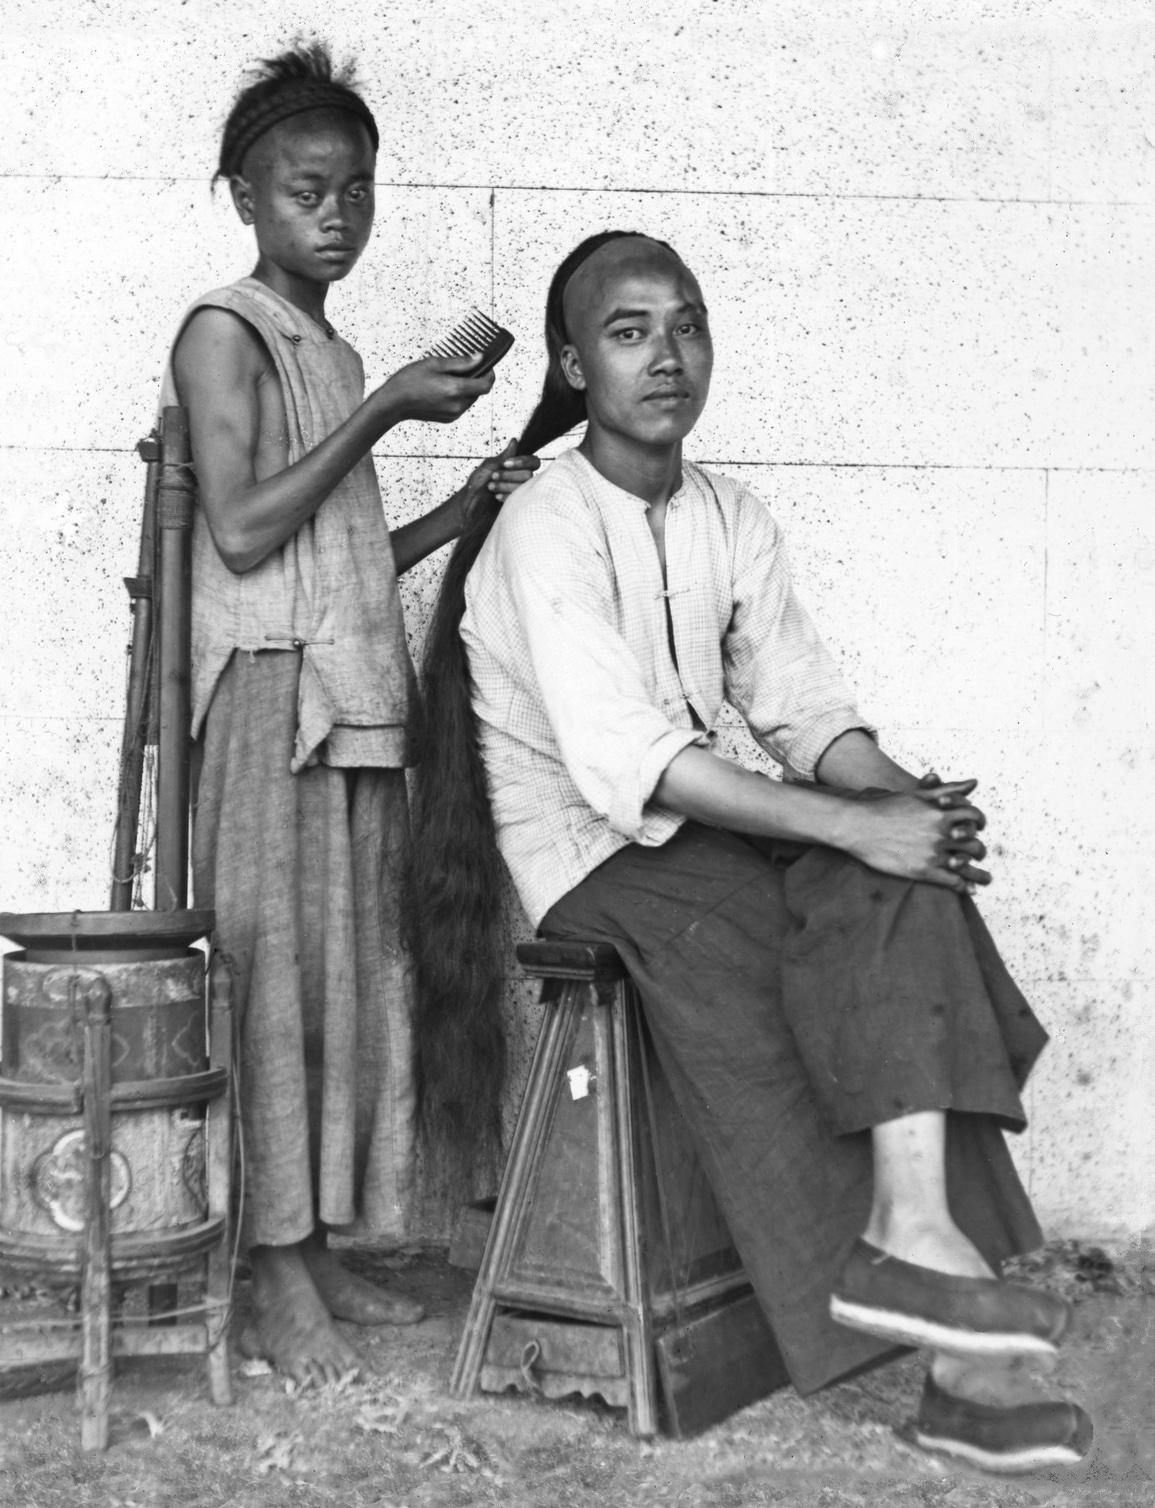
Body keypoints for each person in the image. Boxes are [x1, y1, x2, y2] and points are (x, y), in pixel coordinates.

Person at [412, 231, 1093, 1472]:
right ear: (573, 360)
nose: (665, 355)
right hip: (591, 850)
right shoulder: (544, 528)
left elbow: (802, 709)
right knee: (831, 924)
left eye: (687, 325)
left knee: (907, 880)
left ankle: (919, 1248)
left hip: (704, 818)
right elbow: (630, 762)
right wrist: (853, 825)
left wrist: (906, 804)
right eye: (628, 331)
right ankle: (958, 1348)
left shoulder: (730, 511)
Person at [162, 42, 537, 1387]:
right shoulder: (224, 329)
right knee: (267, 989)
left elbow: (342, 559)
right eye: (306, 189)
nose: (336, 213)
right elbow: (248, 532)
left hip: (347, 706)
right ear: (244, 197)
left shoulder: (334, 343)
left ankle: (308, 1246)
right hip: (269, 705)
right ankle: (264, 1275)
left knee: (335, 994)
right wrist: (386, 410)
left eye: (356, 190)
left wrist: (468, 503)